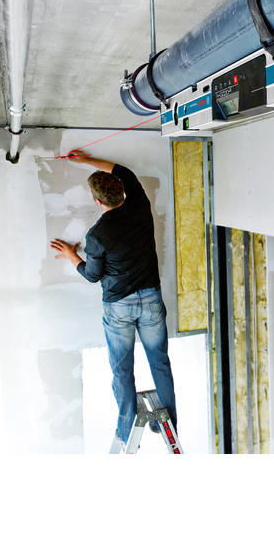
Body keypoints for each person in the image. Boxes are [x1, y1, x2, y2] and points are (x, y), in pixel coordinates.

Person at [50, 152, 177, 450]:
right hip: (151, 299)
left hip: (119, 307)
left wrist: (71, 255)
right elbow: (123, 169)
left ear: (97, 201)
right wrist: (87, 160)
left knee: (122, 369)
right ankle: (170, 421)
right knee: (160, 361)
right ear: (121, 189)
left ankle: (126, 426)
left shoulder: (97, 235)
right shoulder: (140, 202)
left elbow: (92, 275)